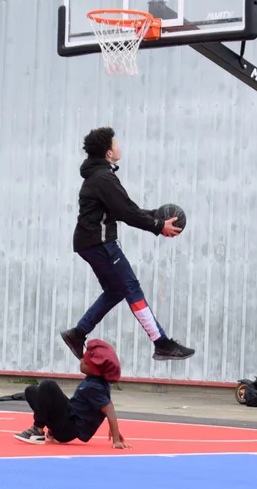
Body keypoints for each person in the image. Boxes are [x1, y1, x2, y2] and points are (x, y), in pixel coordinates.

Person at [60, 126, 194, 362]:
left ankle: (77, 333)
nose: (118, 146)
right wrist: (158, 226)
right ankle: (161, 342)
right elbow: (126, 212)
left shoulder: (101, 176)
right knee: (132, 287)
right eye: (115, 143)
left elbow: (125, 209)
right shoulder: (103, 178)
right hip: (99, 243)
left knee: (115, 291)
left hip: (91, 242)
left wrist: (157, 217)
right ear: (108, 152)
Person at [14, 339, 130, 448]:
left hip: (68, 428)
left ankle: (37, 430)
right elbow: (108, 402)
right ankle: (52, 431)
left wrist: (116, 439)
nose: (81, 361)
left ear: (95, 370)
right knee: (32, 391)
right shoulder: (94, 380)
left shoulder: (95, 387)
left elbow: (109, 409)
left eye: (85, 362)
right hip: (68, 418)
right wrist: (114, 429)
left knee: (49, 385)